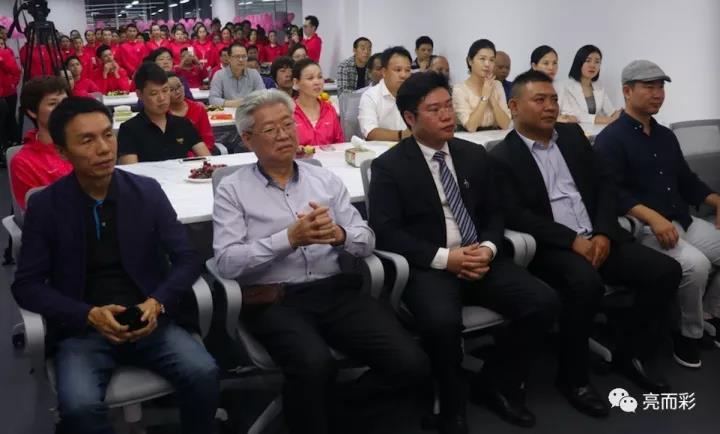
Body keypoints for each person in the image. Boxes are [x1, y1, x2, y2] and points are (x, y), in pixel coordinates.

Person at [213, 88, 429, 434]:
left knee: (411, 362)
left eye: (288, 124)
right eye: (270, 129)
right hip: (276, 299)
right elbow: (226, 262)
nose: (283, 134)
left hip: (334, 291)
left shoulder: (324, 179)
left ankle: (337, 411)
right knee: (315, 365)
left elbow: (366, 239)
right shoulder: (233, 189)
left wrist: (340, 235)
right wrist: (288, 239)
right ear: (248, 139)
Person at [12, 96, 220, 434]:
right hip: (83, 329)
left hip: (149, 318)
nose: (104, 148)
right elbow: (26, 285)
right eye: (87, 140)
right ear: (63, 152)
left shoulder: (145, 191)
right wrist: (87, 315)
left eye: (108, 135)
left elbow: (187, 257)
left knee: (204, 373)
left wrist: (157, 302)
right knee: (78, 407)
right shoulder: (47, 206)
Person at [369, 71, 559, 432]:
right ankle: (450, 402)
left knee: (543, 302)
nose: (447, 116)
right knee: (442, 324)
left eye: (449, 106)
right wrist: (446, 259)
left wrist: (487, 248)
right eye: (434, 110)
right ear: (409, 118)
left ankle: (496, 383)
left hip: (479, 256)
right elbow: (386, 232)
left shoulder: (472, 154)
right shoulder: (389, 166)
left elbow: (494, 212)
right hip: (431, 265)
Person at [490, 70, 681, 399]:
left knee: (666, 271)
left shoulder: (573, 135)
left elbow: (605, 185)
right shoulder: (501, 157)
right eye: (539, 100)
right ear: (514, 106)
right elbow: (517, 215)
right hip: (553, 247)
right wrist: (571, 241)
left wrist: (604, 233)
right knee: (585, 284)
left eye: (553, 99)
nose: (550, 106)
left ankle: (631, 352)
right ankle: (573, 377)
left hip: (599, 236)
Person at [594, 59, 720, 364]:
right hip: (644, 228)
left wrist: (717, 201)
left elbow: (687, 181)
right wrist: (652, 217)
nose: (658, 93)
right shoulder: (610, 139)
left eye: (661, 86)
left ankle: (709, 316)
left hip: (681, 219)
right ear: (627, 91)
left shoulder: (665, 136)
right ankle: (686, 334)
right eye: (649, 86)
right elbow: (612, 193)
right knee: (696, 265)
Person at [118, 63, 210, 163]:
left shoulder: (183, 124)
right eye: (154, 93)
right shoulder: (129, 130)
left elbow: (208, 160)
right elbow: (130, 170)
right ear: (139, 94)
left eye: (165, 90)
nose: (162, 98)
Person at [10, 76, 72, 210]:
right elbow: (38, 212)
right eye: (53, 104)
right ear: (32, 112)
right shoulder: (24, 162)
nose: (63, 109)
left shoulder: (85, 144)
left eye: (65, 102)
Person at [452, 39, 510, 131]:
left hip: (496, 137)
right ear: (470, 61)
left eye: (492, 60)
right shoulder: (459, 89)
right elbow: (471, 127)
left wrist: (492, 100)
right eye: (482, 59)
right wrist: (484, 98)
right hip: (469, 137)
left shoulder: (497, 85)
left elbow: (506, 125)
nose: (487, 64)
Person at [358, 46, 413, 141]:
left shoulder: (415, 94)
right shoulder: (370, 96)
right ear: (384, 72)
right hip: (381, 149)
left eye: (407, 70)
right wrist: (402, 135)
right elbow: (370, 132)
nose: (403, 75)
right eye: (398, 70)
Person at [557, 45, 620, 125]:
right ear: (579, 63)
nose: (593, 65)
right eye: (588, 60)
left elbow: (611, 111)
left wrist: (623, 114)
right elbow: (578, 115)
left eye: (597, 62)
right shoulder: (565, 86)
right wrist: (611, 120)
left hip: (594, 130)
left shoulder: (599, 85)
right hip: (574, 130)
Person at [292, 59, 344, 147]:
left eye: (320, 77)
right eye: (310, 78)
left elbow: (340, 143)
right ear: (296, 82)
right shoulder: (288, 111)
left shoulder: (329, 109)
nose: (317, 82)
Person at [167, 72, 215, 155]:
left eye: (179, 86)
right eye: (171, 90)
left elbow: (208, 139)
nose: (178, 92)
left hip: (201, 155)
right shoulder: (162, 114)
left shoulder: (198, 108)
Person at [530, 45, 578, 123]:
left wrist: (567, 118)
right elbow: (525, 116)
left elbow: (572, 115)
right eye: (546, 63)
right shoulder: (525, 86)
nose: (551, 68)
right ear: (534, 66)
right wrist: (555, 118)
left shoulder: (560, 86)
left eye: (555, 63)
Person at [209, 43, 265, 108]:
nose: (241, 60)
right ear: (229, 58)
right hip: (227, 112)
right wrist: (234, 103)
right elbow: (212, 99)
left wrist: (245, 103)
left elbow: (263, 96)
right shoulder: (219, 75)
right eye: (237, 56)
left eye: (244, 56)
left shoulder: (254, 74)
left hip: (249, 111)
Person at [0, 36, 20, 149]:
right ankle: (5, 143)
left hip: (9, 91)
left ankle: (15, 139)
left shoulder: (7, 54)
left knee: (11, 116)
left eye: (1, 44)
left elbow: (15, 71)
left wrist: (2, 61)